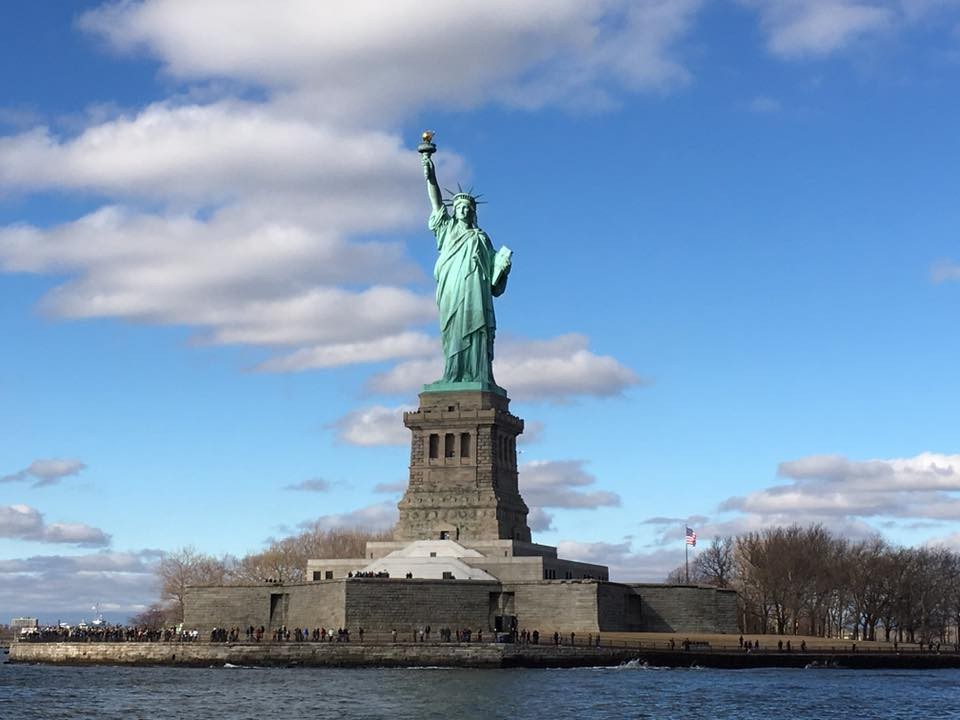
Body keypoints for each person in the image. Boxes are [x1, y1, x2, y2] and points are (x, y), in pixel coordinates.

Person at [422, 153, 512, 388]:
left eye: (467, 207)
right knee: (453, 330)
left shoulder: (481, 238)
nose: (462, 210)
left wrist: (503, 267)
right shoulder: (447, 228)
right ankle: (453, 373)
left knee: (477, 329)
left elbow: (494, 279)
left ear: (473, 212)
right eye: (459, 207)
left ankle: (477, 374)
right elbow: (436, 201)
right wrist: (430, 175)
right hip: (452, 287)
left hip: (476, 291)